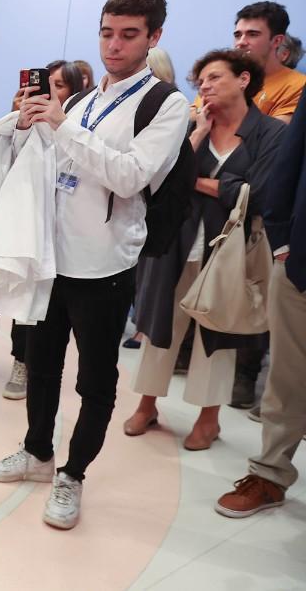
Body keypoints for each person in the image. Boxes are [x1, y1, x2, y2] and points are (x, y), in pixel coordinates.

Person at [0, 0, 190, 531]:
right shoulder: (81, 100)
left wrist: (63, 126)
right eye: (106, 32)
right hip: (51, 258)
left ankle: (72, 475)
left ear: (154, 38)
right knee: (41, 365)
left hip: (104, 266)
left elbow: (129, 175)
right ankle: (37, 453)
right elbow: (50, 167)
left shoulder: (165, 104)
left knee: (94, 381)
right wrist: (28, 128)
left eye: (128, 34)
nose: (113, 45)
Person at [127, 49, 285, 450]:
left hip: (230, 249)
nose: (205, 86)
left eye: (215, 77)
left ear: (243, 80)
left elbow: (258, 193)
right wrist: (195, 135)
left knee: (217, 331)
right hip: (175, 242)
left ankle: (208, 419)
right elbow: (160, 178)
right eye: (201, 81)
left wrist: (198, 182)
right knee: (161, 325)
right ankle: (147, 404)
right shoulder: (190, 125)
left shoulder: (270, 133)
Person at [0, 59, 87, 399]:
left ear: (72, 92)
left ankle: (21, 361)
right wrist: (21, 123)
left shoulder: (75, 129)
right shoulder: (18, 122)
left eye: (60, 85)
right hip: (3, 218)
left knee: (28, 292)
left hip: (44, 225)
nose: (50, 91)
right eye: (47, 84)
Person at [215, 91, 306, 519]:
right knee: (287, 380)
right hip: (301, 262)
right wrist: (283, 237)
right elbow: (290, 162)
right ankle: (269, 474)